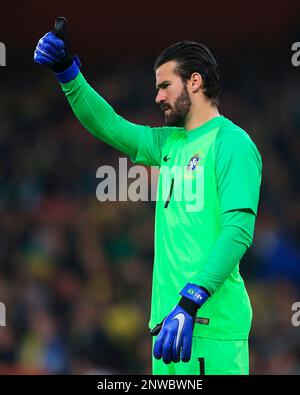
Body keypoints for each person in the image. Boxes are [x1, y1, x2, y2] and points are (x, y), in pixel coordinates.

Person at [34, 18, 262, 375]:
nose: (157, 97)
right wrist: (67, 73)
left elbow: (238, 231)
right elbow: (108, 124)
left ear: (195, 82)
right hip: (167, 327)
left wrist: (191, 302)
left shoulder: (232, 143)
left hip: (209, 325)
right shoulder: (167, 144)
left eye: (165, 86)